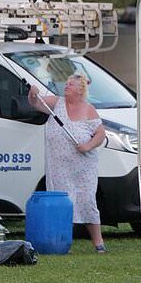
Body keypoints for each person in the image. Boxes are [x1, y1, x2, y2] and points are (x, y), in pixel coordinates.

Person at [29, 73, 107, 252]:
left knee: (87, 201)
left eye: (71, 85)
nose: (66, 87)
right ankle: (62, 242)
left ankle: (98, 242)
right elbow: (35, 103)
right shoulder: (56, 103)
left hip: (83, 168)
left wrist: (88, 146)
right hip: (59, 167)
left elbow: (100, 134)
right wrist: (33, 94)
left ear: (81, 90)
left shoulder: (89, 109)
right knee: (63, 203)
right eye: (66, 84)